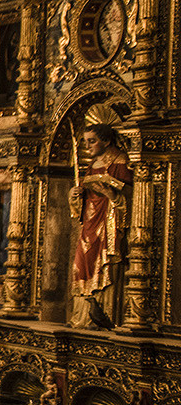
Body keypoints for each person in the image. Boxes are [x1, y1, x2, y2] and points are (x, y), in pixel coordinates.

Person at [70, 122, 131, 329]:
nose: (88, 147)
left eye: (92, 141)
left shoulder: (120, 161)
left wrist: (109, 193)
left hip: (109, 223)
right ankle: (84, 316)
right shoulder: (92, 164)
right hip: (89, 223)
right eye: (86, 142)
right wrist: (75, 196)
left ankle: (106, 315)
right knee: (81, 263)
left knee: (106, 264)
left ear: (106, 140)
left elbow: (131, 198)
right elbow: (81, 202)